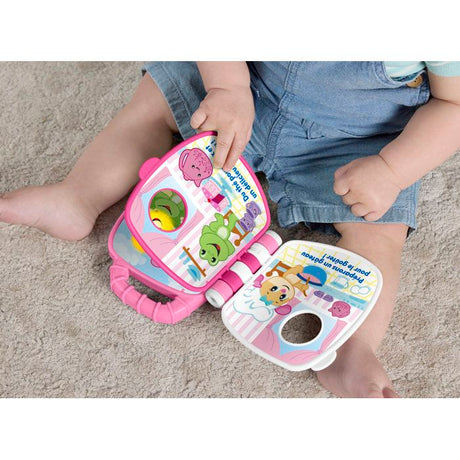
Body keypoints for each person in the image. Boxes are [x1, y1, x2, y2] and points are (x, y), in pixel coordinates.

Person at [1, 61, 459, 397]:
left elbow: (452, 104)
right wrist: (227, 86)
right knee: (158, 97)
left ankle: (349, 347)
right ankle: (78, 195)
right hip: (247, 91)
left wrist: (391, 170)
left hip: (353, 142)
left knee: (379, 228)